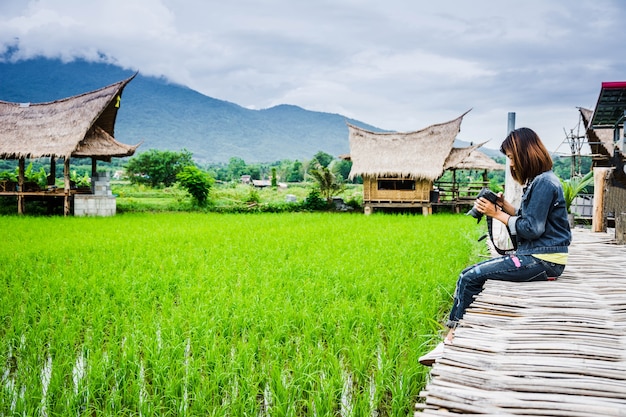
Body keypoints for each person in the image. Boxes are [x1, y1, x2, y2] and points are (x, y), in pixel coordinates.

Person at [419, 127, 572, 366]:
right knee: (469, 275)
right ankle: (456, 338)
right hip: (542, 257)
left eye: (511, 157)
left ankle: (451, 341)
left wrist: (495, 214)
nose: (511, 163)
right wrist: (504, 207)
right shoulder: (543, 180)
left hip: (543, 260)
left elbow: (531, 229)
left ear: (524, 153)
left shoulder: (543, 182)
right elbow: (527, 218)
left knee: (469, 277)